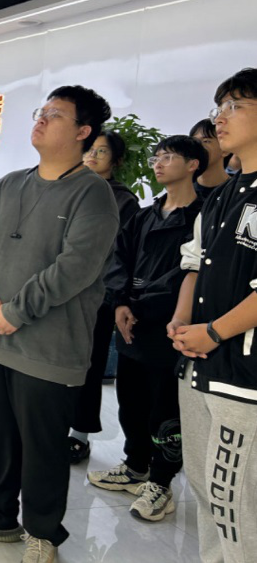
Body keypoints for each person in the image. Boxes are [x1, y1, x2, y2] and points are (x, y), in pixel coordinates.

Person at [0, 85, 118, 563]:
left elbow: (75, 267)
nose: (41, 119)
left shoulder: (93, 194)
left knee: (43, 445)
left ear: (83, 131)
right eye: (41, 111)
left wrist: (15, 312)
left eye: (55, 115)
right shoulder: (8, 184)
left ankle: (42, 531)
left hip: (48, 348)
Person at [87, 135, 206, 522]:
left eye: (168, 157)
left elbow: (189, 273)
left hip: (170, 325)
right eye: (156, 157)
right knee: (131, 400)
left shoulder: (203, 216)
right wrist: (121, 302)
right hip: (132, 322)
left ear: (192, 165)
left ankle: (161, 481)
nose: (158, 163)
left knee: (165, 408)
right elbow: (118, 259)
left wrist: (140, 303)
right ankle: (135, 465)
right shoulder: (143, 215)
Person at [169, 67, 257, 563]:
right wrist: (183, 321)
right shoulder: (222, 194)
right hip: (199, 365)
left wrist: (214, 332)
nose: (220, 118)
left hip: (242, 377)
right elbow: (194, 264)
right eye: (218, 108)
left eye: (235, 106)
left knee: (236, 502)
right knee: (206, 490)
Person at [68, 130, 140, 463]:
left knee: (89, 364)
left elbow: (121, 253)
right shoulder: (69, 187)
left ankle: (79, 435)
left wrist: (112, 293)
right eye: (90, 150)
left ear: (116, 160)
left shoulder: (123, 200)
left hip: (96, 294)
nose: (92, 156)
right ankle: (51, 425)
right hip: (59, 291)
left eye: (102, 151)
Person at [189, 118, 229, 200]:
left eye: (206, 141)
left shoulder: (239, 190)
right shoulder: (184, 192)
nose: (198, 146)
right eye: (194, 141)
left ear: (225, 150)